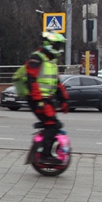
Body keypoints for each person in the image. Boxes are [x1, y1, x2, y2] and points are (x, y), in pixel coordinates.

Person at [22, 32, 70, 163]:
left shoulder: (51, 62)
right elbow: (31, 81)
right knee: (52, 125)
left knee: (55, 125)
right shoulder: (37, 58)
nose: (60, 49)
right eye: (58, 45)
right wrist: (39, 101)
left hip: (46, 99)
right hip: (38, 100)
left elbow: (57, 83)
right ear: (50, 44)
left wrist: (64, 100)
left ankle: (42, 146)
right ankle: (45, 156)